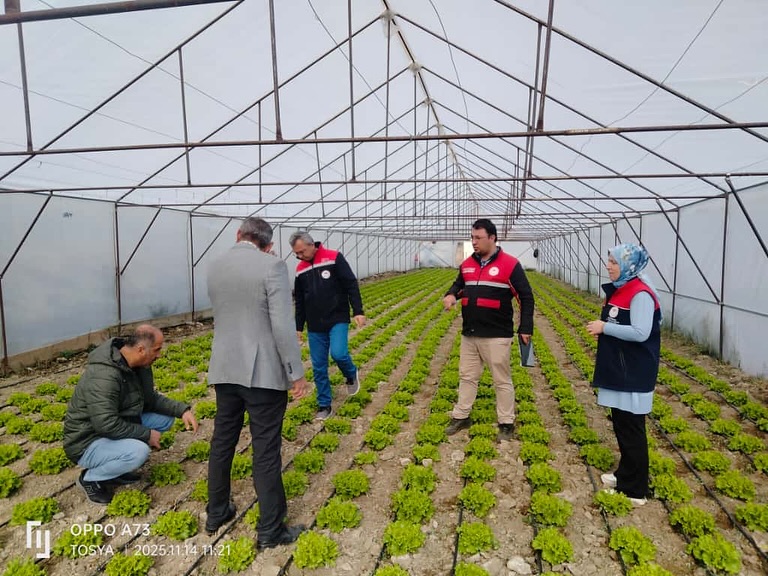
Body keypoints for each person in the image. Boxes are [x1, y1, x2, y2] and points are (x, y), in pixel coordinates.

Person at [206, 217, 310, 549]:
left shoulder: (216, 265)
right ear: (267, 242)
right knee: (265, 450)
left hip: (225, 368)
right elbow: (282, 324)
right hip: (261, 373)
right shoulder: (273, 266)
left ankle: (217, 512)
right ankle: (270, 531)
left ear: (238, 235)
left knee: (223, 441)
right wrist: (296, 371)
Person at [63, 324, 198, 504]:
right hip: (87, 440)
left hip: (112, 426)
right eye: (157, 350)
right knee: (139, 452)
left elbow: (150, 400)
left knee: (164, 420)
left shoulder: (138, 365)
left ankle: (116, 467)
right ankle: (91, 477)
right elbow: (105, 424)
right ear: (141, 349)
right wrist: (146, 434)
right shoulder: (105, 375)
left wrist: (182, 410)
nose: (159, 355)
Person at [443, 219, 535, 442]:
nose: (473, 242)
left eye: (478, 238)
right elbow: (459, 285)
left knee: (501, 379)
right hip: (470, 333)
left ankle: (506, 421)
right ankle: (461, 415)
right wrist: (451, 295)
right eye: (472, 237)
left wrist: (525, 327)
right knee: (467, 376)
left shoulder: (510, 264)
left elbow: (526, 297)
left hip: (497, 335)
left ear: (492, 238)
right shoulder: (467, 264)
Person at [586, 243, 662, 507]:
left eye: (614, 262)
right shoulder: (624, 288)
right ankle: (624, 475)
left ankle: (635, 490)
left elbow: (641, 332)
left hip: (633, 372)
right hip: (622, 369)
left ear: (629, 265)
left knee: (632, 430)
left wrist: (604, 327)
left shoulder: (640, 293)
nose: (609, 266)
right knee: (622, 426)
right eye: (609, 261)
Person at [290, 231, 365, 420]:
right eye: (296, 254)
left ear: (310, 245)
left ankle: (351, 372)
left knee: (339, 353)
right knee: (318, 366)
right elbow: (299, 300)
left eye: (301, 252)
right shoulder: (300, 269)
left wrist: (358, 310)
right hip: (315, 324)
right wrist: (298, 327)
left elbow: (351, 285)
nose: (299, 256)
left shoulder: (333, 258)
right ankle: (324, 405)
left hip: (337, 318)